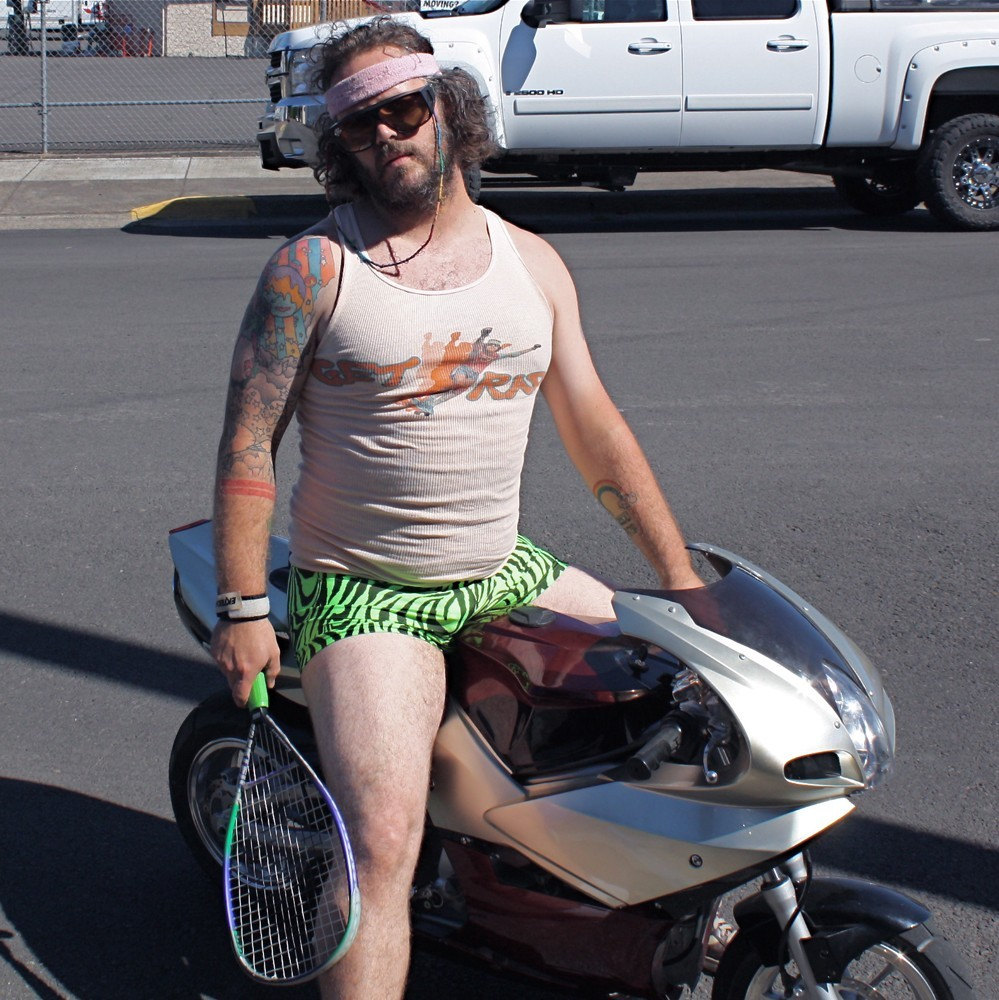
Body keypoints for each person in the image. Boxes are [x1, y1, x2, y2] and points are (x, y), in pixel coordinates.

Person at [209, 16, 704, 999]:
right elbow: (248, 439)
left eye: (404, 107)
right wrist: (244, 609)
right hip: (365, 594)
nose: (386, 133)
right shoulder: (312, 271)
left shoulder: (533, 263)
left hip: (501, 567)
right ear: (339, 145)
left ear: (450, 108)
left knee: (684, 703)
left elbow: (594, 425)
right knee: (381, 839)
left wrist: (682, 576)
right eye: (359, 122)